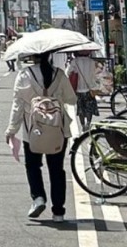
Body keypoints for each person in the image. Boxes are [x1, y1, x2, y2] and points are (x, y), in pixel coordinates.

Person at [5, 52, 77, 222]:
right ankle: (58, 211)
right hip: (58, 129)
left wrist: (11, 130)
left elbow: (18, 106)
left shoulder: (24, 75)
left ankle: (38, 198)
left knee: (33, 165)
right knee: (56, 169)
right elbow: (71, 99)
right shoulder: (59, 74)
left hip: (32, 130)